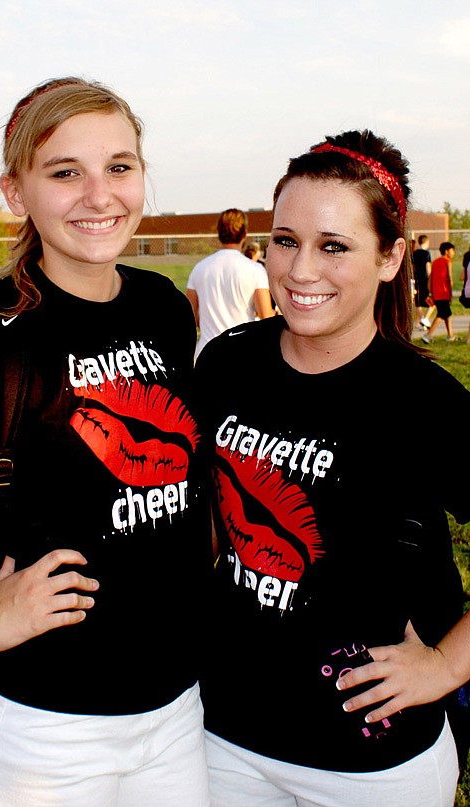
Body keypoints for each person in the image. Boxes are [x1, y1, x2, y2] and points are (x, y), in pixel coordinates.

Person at [0, 77, 210, 807]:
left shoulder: (161, 306)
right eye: (65, 172)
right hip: (41, 733)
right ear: (17, 193)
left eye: (120, 166)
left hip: (176, 712)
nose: (100, 194)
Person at [194, 129, 470, 807]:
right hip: (222, 738)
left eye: (334, 245)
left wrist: (445, 663)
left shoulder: (424, 402)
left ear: (390, 256)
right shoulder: (228, 363)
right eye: (285, 240)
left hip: (374, 764)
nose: (299, 270)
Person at [186, 208, 274, 358]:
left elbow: (189, 318)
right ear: (244, 234)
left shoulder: (200, 268)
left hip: (207, 356)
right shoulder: (255, 269)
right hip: (242, 354)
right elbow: (266, 319)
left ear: (219, 233)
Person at [421, 241, 458, 343]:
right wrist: (450, 294)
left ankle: (450, 335)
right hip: (444, 293)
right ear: (447, 251)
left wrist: (431, 293)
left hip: (436, 294)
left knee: (446, 314)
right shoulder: (447, 262)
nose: (453, 253)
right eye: (452, 251)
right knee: (442, 314)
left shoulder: (435, 262)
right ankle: (427, 335)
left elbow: (430, 279)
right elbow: (449, 279)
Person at [411, 234, 435, 329]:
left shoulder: (414, 253)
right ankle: (425, 318)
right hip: (425, 279)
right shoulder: (426, 253)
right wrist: (430, 278)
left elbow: (412, 267)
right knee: (431, 301)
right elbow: (427, 266)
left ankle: (422, 320)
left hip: (416, 279)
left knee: (418, 301)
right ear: (426, 242)